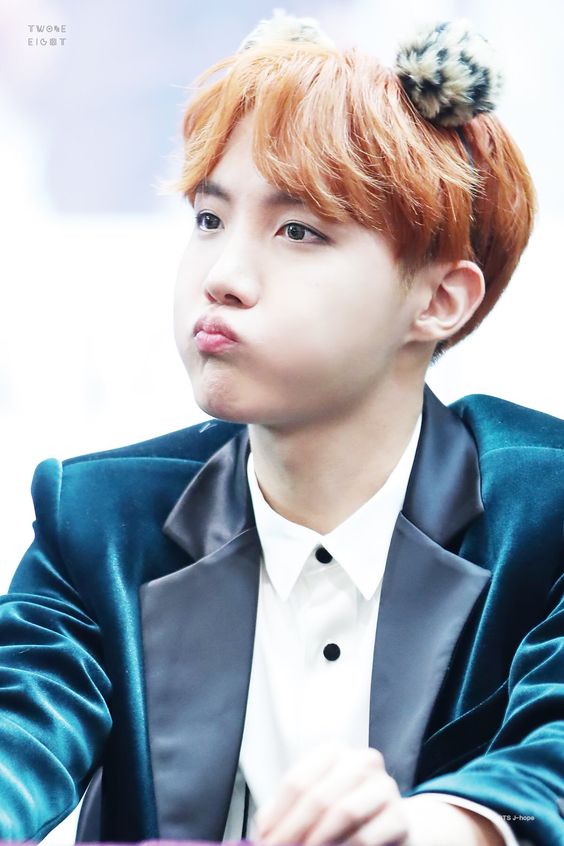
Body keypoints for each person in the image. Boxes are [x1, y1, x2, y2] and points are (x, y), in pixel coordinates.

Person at [1, 10, 562, 846]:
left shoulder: (543, 511)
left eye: (298, 230)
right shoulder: (99, 522)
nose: (222, 276)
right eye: (209, 220)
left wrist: (435, 828)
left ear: (440, 299)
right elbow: (20, 731)